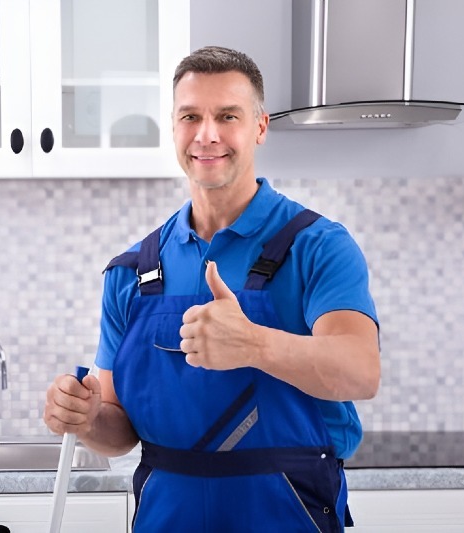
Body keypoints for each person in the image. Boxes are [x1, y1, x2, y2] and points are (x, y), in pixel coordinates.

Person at [44, 45, 380, 532]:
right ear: (174, 128)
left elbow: (361, 372)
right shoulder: (134, 273)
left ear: (260, 126)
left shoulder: (318, 248)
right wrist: (88, 416)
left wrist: (255, 344)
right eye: (190, 116)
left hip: (288, 517)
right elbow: (119, 428)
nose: (207, 134)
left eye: (228, 116)